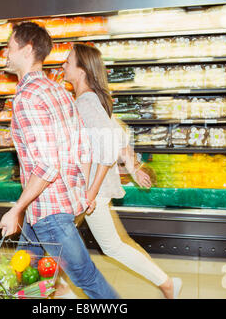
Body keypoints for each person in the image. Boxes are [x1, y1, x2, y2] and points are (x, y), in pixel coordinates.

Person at [0, 22, 119, 299]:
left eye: (10, 46)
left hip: (49, 212)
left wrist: (16, 209)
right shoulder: (58, 90)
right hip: (53, 206)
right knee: (24, 275)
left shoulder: (26, 97)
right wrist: (86, 192)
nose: (6, 52)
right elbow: (82, 146)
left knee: (88, 280)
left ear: (27, 50)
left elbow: (47, 165)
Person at [59, 43, 183, 299]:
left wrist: (90, 194)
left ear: (82, 71)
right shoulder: (90, 99)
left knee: (105, 245)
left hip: (90, 190)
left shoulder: (86, 103)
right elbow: (116, 133)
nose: (63, 65)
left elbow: (107, 144)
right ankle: (61, 290)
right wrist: (133, 166)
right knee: (62, 240)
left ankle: (167, 284)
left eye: (68, 62)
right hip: (87, 188)